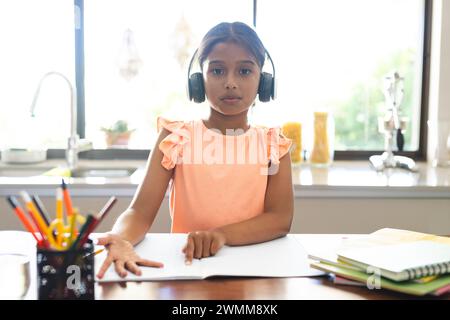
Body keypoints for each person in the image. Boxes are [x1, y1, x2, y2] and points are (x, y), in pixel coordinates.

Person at [96, 21, 294, 279]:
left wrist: (221, 235)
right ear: (199, 80)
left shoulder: (272, 144)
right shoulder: (176, 137)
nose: (231, 83)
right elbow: (139, 212)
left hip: (254, 268)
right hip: (187, 267)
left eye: (244, 71)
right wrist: (121, 238)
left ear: (264, 82)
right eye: (218, 71)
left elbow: (280, 219)